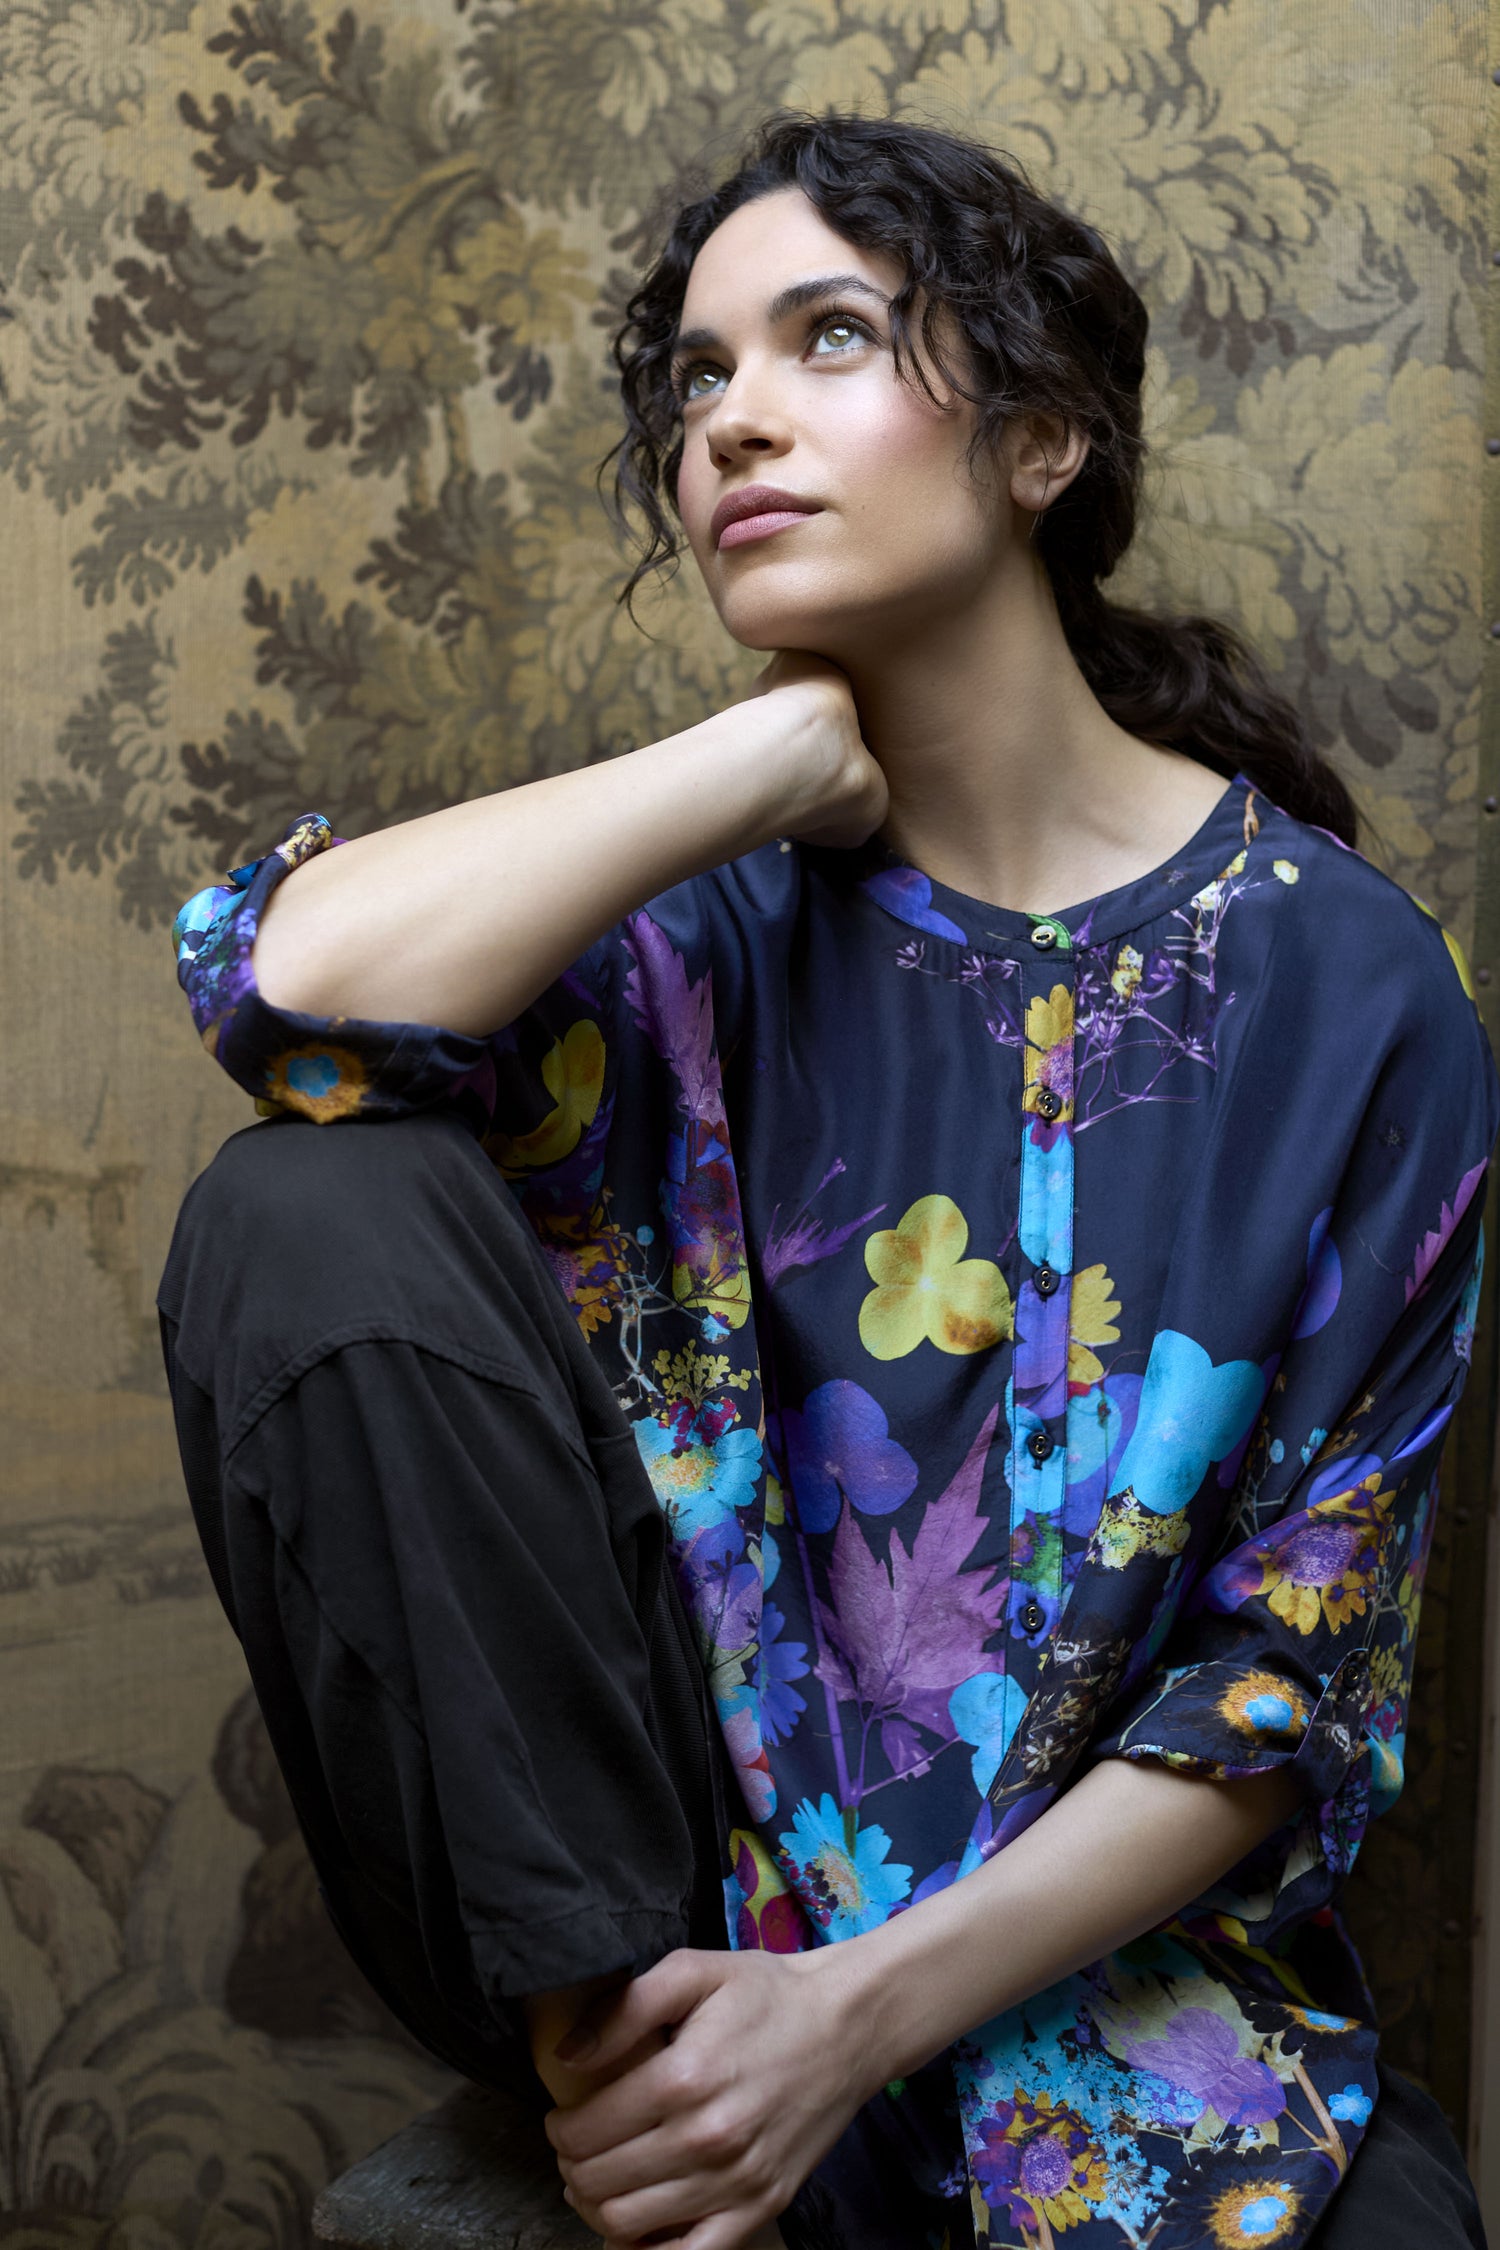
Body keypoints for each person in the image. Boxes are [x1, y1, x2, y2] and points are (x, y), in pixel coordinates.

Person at [158, 110, 1495, 2250]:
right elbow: (287, 990)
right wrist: (762, 758)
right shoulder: (680, 930)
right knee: (300, 1203)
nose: (731, 424)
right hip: (660, 1931)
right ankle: (648, 2094)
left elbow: (1286, 1682)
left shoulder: (1347, 989)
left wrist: (844, 2032)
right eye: (696, 379)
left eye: (829, 339)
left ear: (1044, 439)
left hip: (1119, 2026)